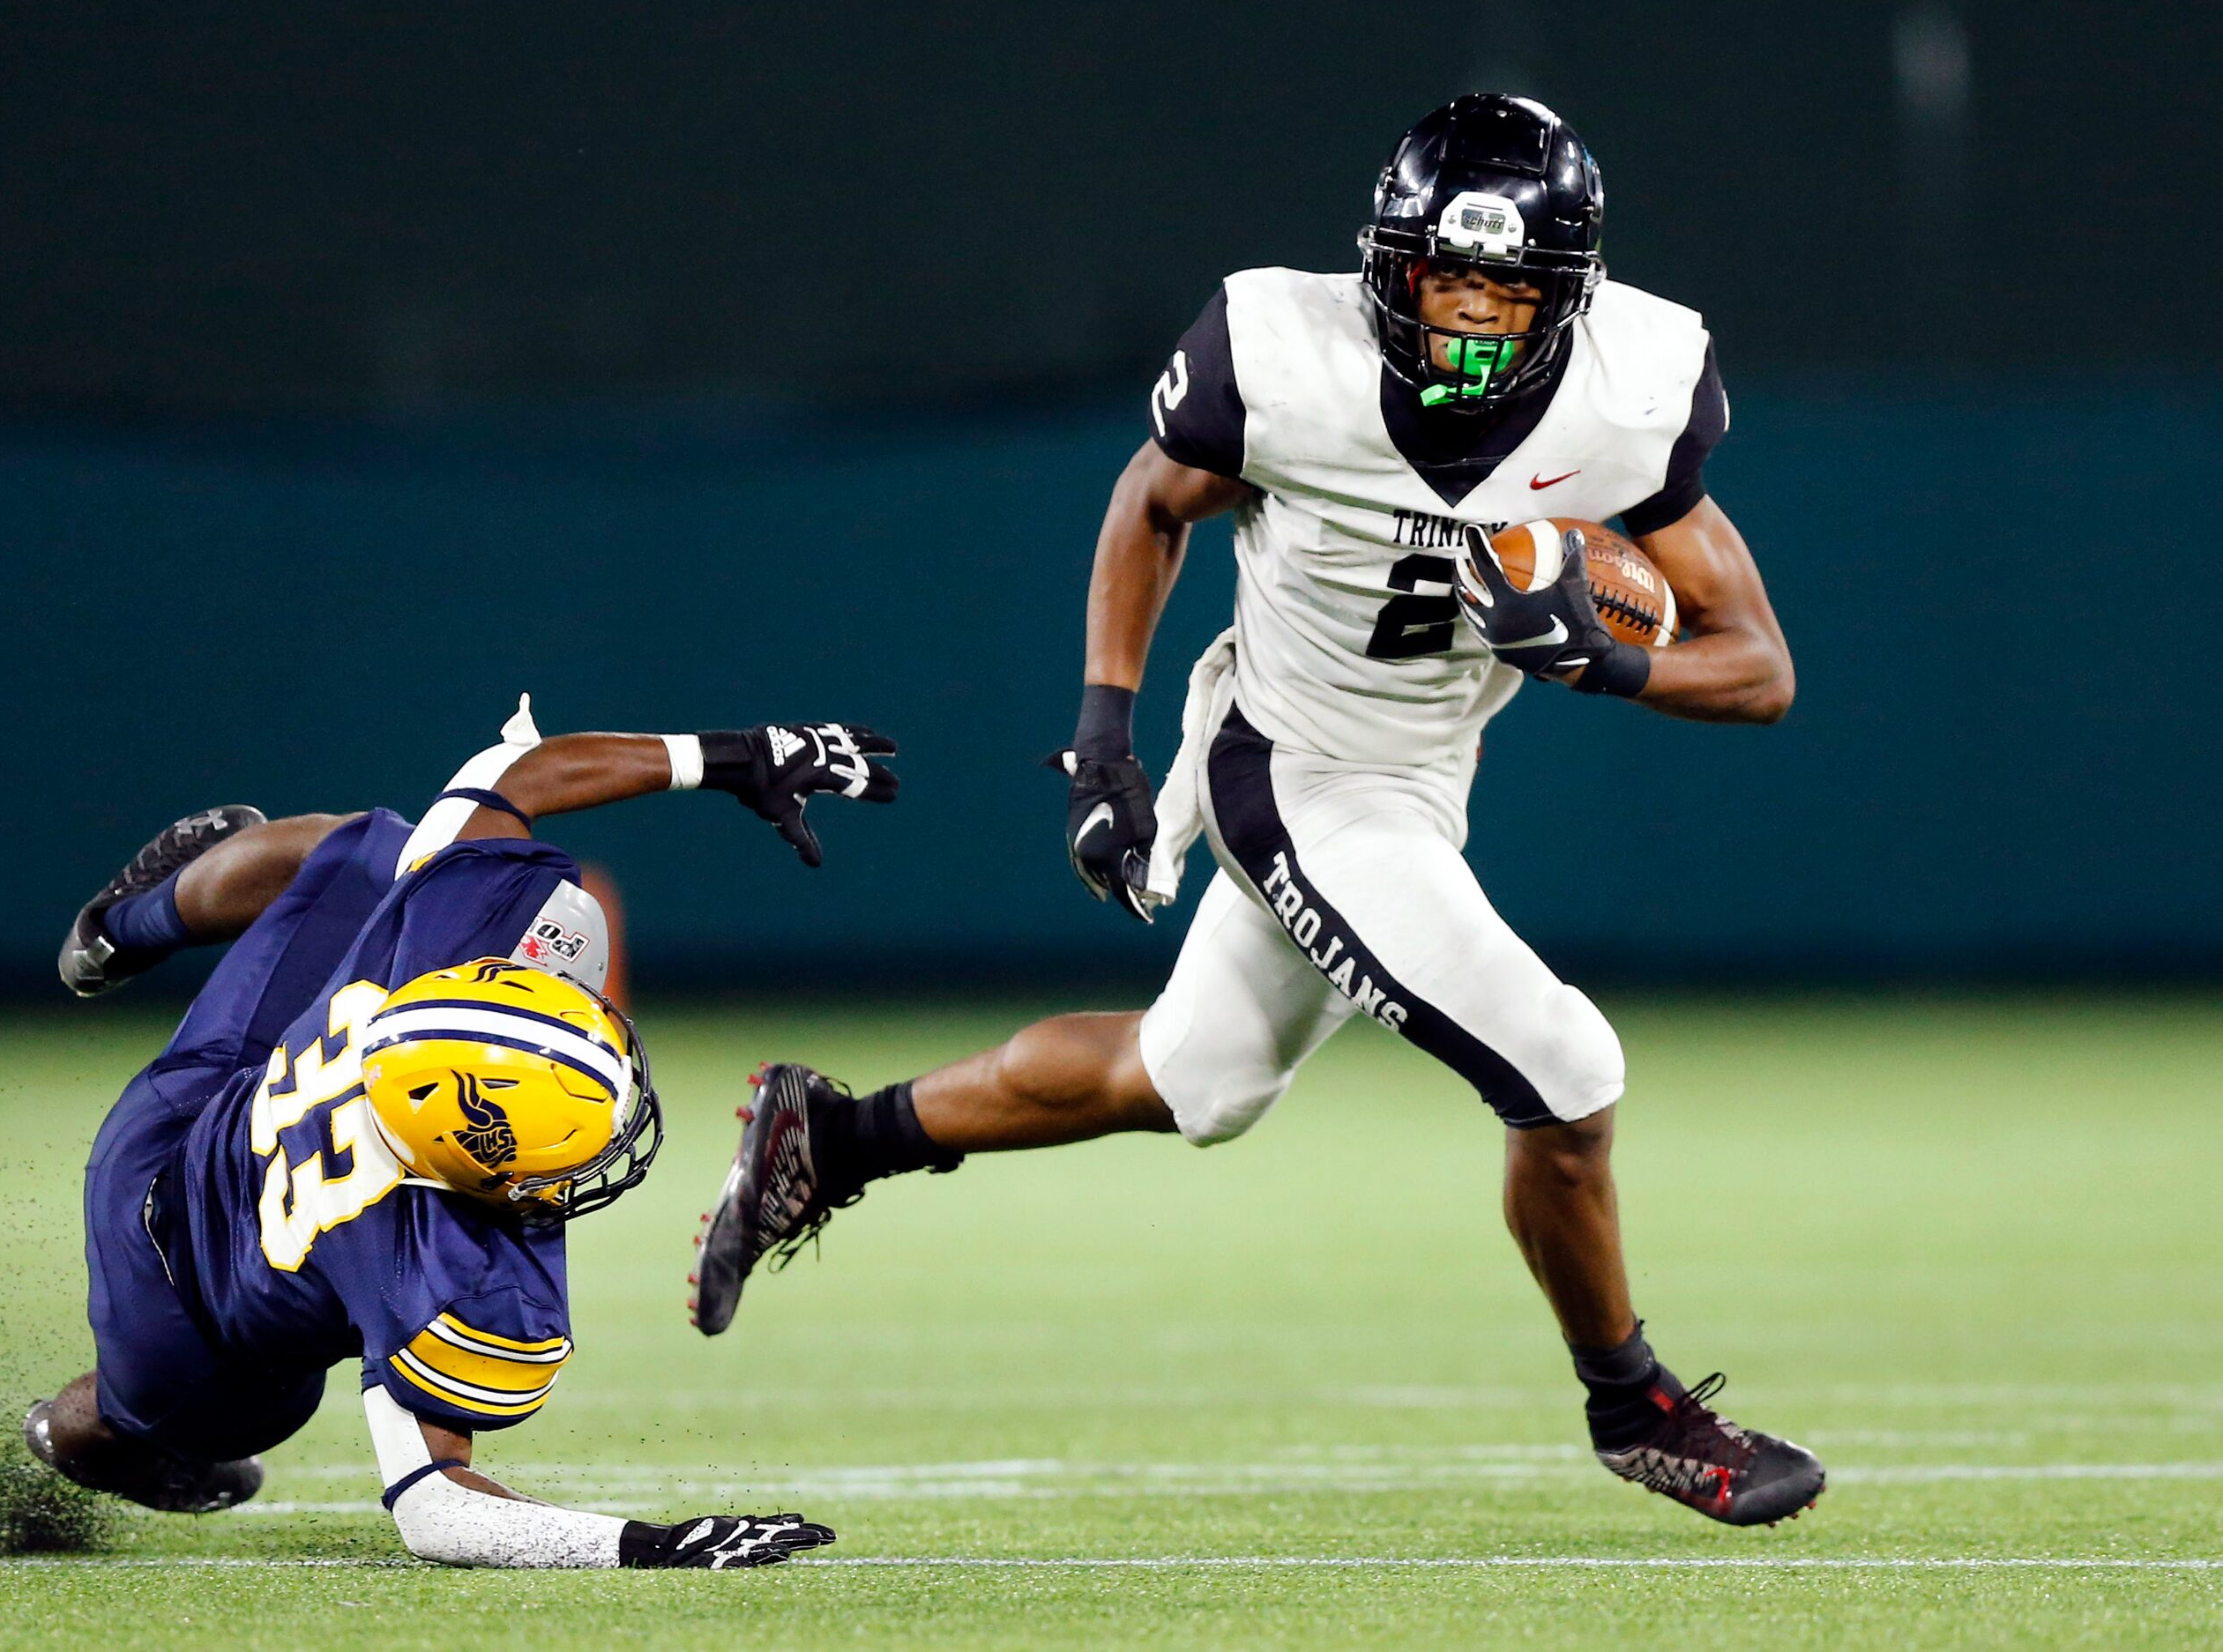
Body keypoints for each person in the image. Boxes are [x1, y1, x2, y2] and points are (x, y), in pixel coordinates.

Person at [690, 94, 1821, 1528]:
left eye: (1503, 289)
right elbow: (1152, 499)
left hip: (1415, 783)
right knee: (1561, 1068)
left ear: (1565, 298)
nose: (1469, 318)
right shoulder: (1282, 356)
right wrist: (1102, 734)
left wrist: (1601, 657)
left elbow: (1758, 668)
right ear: (1383, 265)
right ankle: (1635, 1406)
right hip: (1284, 769)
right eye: (1441, 279)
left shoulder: (1633, 391)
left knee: (1187, 1077)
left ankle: (831, 1135)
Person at [27, 697, 894, 1567]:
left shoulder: (444, 949)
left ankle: (113, 930)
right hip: (182, 1292)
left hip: (204, 1097)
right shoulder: (432, 1255)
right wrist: (642, 1547)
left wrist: (736, 755)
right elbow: (435, 1511)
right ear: (472, 1160)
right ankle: (76, 1436)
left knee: (376, 851)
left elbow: (508, 775)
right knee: (186, 1420)